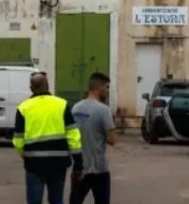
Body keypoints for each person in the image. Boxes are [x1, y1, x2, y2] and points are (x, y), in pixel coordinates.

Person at [13, 72, 83, 204]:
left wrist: (26, 155)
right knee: (56, 200)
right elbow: (73, 135)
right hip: (58, 162)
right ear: (48, 86)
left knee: (34, 201)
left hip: (34, 163)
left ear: (31, 88)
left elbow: (18, 140)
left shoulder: (23, 108)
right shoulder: (62, 104)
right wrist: (78, 162)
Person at [69, 72, 116, 204]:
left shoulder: (76, 108)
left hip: (79, 167)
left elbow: (73, 135)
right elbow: (112, 140)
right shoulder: (104, 110)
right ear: (99, 88)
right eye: (106, 87)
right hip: (99, 168)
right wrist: (101, 134)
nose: (107, 91)